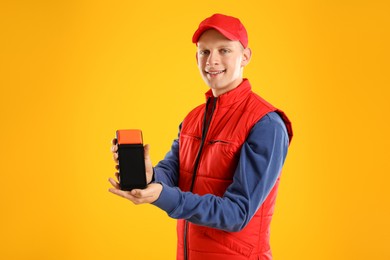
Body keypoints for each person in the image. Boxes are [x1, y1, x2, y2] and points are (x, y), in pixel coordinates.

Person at [109, 13, 293, 260]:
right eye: (204, 52)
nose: (212, 61)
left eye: (224, 50)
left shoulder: (266, 123)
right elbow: (173, 173)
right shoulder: (193, 118)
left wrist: (164, 196)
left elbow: (237, 213)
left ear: (245, 57)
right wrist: (148, 174)